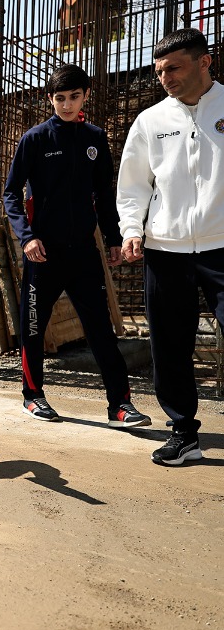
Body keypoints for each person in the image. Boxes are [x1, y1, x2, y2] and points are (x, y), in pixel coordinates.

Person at [2, 63, 150, 428]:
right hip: (43, 254)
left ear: (85, 95)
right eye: (59, 98)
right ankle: (32, 396)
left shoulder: (95, 138)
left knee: (101, 330)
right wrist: (27, 237)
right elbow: (10, 195)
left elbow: (104, 194)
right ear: (49, 99)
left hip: (84, 253)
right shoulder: (34, 139)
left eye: (73, 97)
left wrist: (113, 240)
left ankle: (120, 406)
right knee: (33, 327)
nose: (66, 105)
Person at [117, 28, 223, 466]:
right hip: (165, 249)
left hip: (222, 246)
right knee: (169, 344)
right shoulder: (151, 121)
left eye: (174, 68)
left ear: (205, 62)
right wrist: (131, 229)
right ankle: (183, 433)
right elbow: (133, 184)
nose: (165, 78)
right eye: (159, 70)